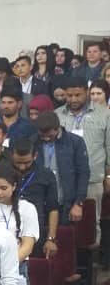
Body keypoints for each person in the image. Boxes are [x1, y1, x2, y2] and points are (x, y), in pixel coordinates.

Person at [56, 75, 110, 236]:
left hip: (93, 177)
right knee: (64, 223)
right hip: (64, 179)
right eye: (69, 95)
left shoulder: (104, 114)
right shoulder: (57, 114)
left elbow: (109, 146)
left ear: (86, 92)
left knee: (92, 223)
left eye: (78, 95)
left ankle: (93, 253)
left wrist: (109, 176)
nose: (73, 99)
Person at [33, 111, 90, 224]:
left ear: (57, 128)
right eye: (42, 136)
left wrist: (78, 203)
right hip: (40, 204)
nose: (46, 139)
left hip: (66, 204)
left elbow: (83, 173)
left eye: (50, 136)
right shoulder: (33, 142)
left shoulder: (75, 142)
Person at [10, 139, 61, 255]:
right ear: (12, 155)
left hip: (36, 231)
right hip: (8, 229)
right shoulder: (4, 173)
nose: (22, 167)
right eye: (18, 162)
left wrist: (51, 239)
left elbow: (53, 209)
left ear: (35, 156)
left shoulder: (46, 175)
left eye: (27, 162)